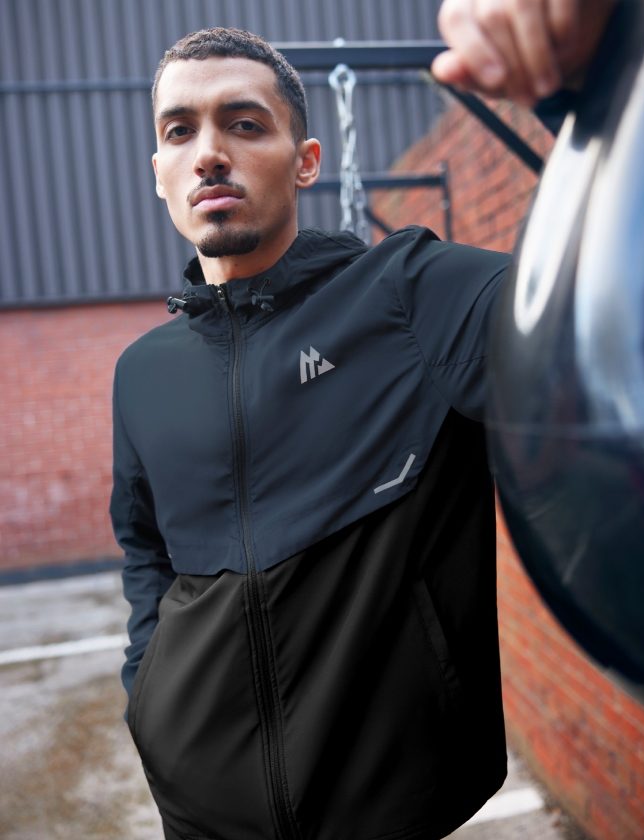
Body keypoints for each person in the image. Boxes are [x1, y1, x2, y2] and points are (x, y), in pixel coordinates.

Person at [110, 5, 613, 839]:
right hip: (201, 812)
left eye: (244, 123)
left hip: (386, 808)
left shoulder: (407, 296)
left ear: (305, 160)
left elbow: (594, 313)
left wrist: (589, 101)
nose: (209, 153)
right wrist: (149, 696)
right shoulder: (141, 373)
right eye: (179, 130)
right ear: (159, 171)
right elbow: (145, 553)